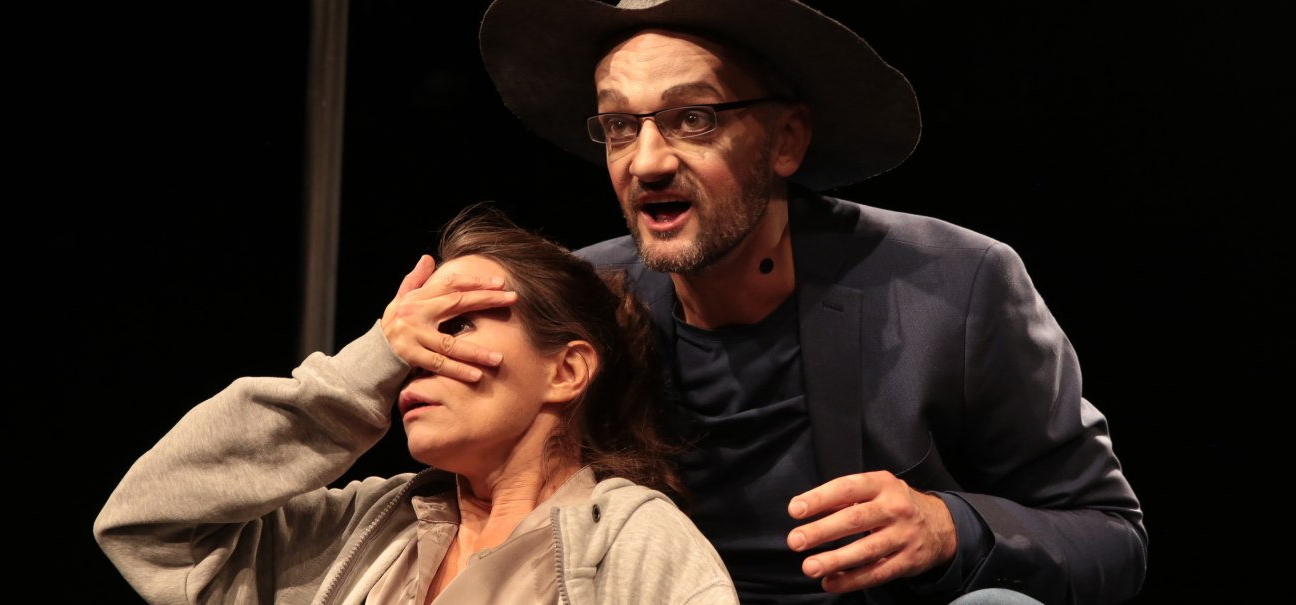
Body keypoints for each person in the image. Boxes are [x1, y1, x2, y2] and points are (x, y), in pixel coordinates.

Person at [379, 1, 1150, 604]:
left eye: (694, 118)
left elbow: (1112, 537)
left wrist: (951, 526)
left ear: (785, 141)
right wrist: (387, 353)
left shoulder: (956, 284)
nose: (646, 160)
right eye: (619, 126)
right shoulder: (589, 302)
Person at [93, 203, 740, 604]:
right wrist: (366, 363)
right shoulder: (365, 531)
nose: (416, 352)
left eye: (453, 322)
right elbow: (148, 528)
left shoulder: (631, 542)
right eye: (407, 331)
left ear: (566, 370)